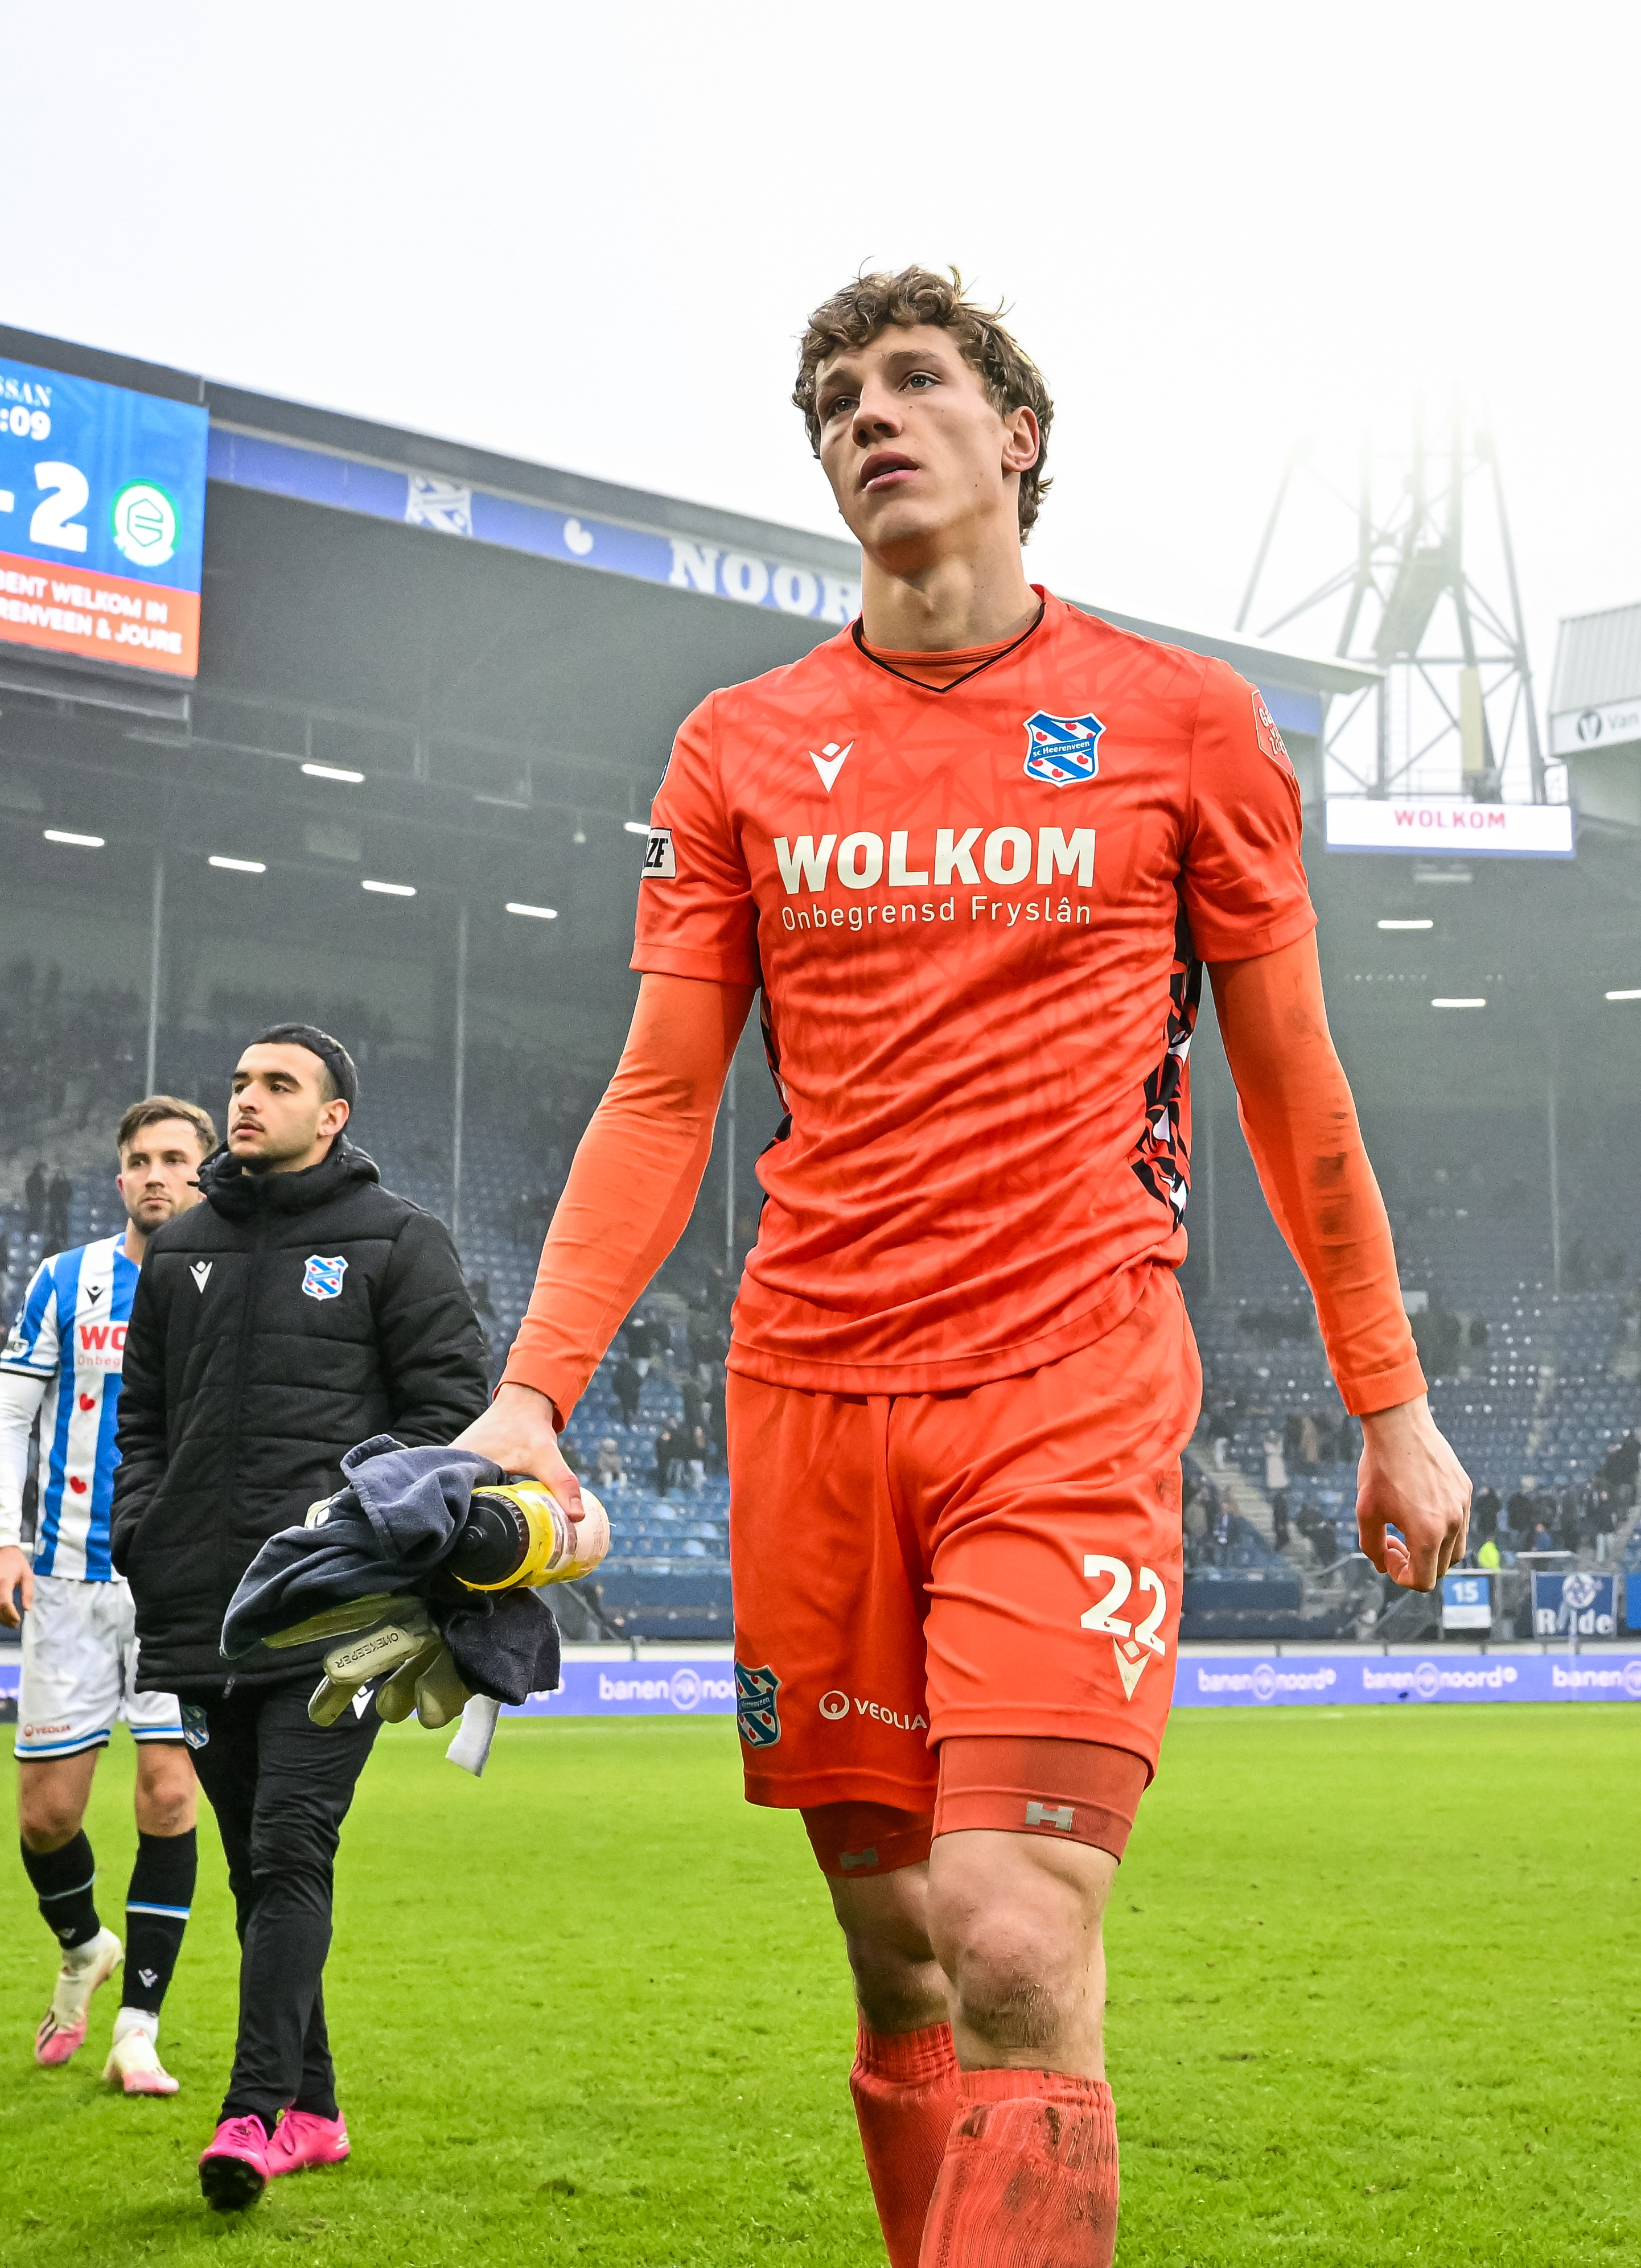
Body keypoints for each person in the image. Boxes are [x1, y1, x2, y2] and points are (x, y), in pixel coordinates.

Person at [445, 269, 1469, 2268]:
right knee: (900, 1950)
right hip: (811, 1394)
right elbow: (661, 1096)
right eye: (830, 400)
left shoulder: (1181, 723)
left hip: (1065, 1386)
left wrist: (1388, 1396)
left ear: (1015, 437)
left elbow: (1291, 1086)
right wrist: (529, 1389)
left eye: (911, 381)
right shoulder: (737, 747)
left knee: (1012, 1931)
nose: (864, 418)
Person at [110, 1025, 489, 2212]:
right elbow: (145, 1424)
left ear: (334, 1116)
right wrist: (147, 1532)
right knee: (254, 1867)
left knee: (288, 1848)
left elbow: (451, 1415)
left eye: (278, 1085)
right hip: (204, 1608)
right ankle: (316, 2108)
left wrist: (367, 1540)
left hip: (345, 1611)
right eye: (239, 1082)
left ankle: (254, 2111)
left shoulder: (396, 1241)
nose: (247, 1100)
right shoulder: (183, 1250)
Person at [0, 1096, 216, 2098]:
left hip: (182, 1581)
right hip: (68, 1582)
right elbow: (10, 1417)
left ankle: (137, 2029)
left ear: (204, 1173)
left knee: (167, 1797)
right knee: (47, 1816)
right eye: (138, 1160)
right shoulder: (65, 1280)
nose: (155, 1174)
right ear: (117, 1177)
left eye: (173, 1158)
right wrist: (2, 1543)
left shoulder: (226, 1280)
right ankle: (82, 1947)